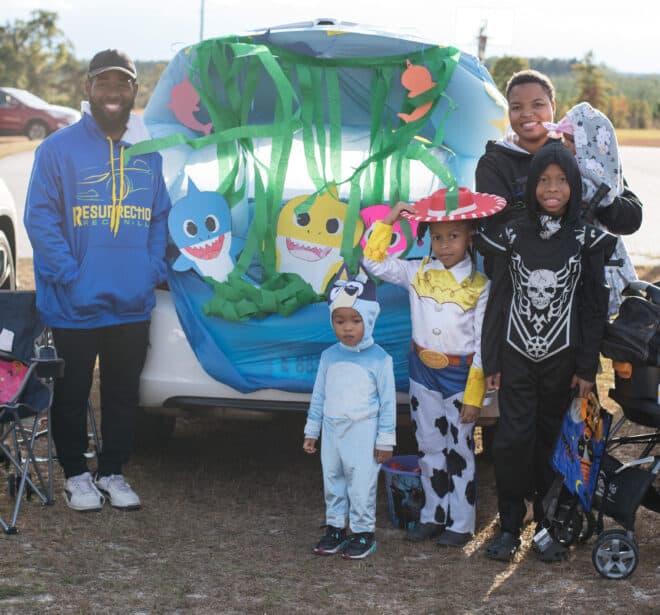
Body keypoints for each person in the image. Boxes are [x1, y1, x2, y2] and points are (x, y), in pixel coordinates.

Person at [24, 49, 171, 512]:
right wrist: (68, 274)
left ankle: (112, 471)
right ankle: (75, 475)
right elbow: (40, 218)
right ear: (87, 89)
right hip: (73, 301)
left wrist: (151, 269)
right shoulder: (57, 149)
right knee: (69, 394)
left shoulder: (147, 155)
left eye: (122, 84)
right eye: (104, 83)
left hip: (130, 301)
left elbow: (159, 217)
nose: (113, 92)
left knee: (123, 394)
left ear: (134, 92)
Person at [475, 142, 617, 562]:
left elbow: (594, 307)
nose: (552, 188)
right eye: (543, 180)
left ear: (573, 185)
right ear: (532, 185)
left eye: (561, 180)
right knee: (511, 442)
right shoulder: (513, 232)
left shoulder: (588, 238)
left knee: (554, 444)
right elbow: (499, 298)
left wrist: (588, 367)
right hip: (516, 355)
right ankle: (509, 525)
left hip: (565, 361)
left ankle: (551, 523)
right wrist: (493, 360)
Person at [362, 187, 506, 547]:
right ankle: (432, 515)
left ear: (469, 236)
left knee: (460, 451)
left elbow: (482, 345)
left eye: (453, 236)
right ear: (428, 238)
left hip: (460, 378)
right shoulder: (416, 272)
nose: (445, 245)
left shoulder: (480, 286)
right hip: (422, 372)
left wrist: (475, 396)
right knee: (429, 447)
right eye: (438, 237)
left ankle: (461, 522)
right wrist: (392, 217)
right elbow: (373, 262)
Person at [475, 70, 642, 238]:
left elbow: (631, 219)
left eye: (537, 104)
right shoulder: (493, 164)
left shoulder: (577, 152)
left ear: (552, 106)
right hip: (525, 263)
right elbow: (497, 228)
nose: (527, 113)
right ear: (508, 111)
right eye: (517, 107)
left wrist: (595, 197)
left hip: (586, 262)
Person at [303, 265, 396, 559]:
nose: (347, 328)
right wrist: (311, 431)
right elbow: (319, 396)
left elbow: (388, 403)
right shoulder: (329, 356)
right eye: (340, 321)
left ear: (368, 319)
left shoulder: (380, 360)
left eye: (355, 320)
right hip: (331, 431)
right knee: (333, 480)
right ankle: (335, 527)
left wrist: (385, 441)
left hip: (363, 432)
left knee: (361, 484)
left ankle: (363, 532)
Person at [544, 102, 638, 316]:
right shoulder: (562, 171)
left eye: (571, 140)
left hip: (604, 271)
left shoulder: (603, 183)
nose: (565, 145)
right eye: (564, 139)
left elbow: (628, 213)